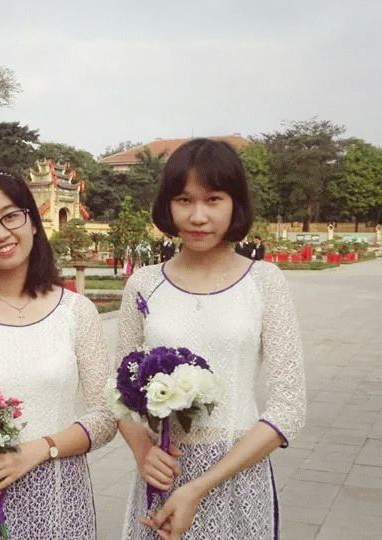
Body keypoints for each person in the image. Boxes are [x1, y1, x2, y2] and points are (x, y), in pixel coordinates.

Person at [116, 139, 305, 539]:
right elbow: (118, 391)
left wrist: (199, 487)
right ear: (168, 205)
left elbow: (289, 407)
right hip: (164, 474)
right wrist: (143, 451)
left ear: (235, 204)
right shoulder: (144, 284)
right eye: (184, 200)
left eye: (213, 199)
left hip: (238, 473)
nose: (198, 216)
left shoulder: (264, 282)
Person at [0, 168, 117, 539]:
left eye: (11, 216)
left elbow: (106, 415)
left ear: (33, 222)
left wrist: (38, 450)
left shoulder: (75, 312)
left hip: (60, 499)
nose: (1, 233)